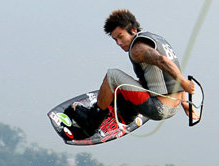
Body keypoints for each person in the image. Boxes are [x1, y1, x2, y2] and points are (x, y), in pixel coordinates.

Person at [65, 9, 198, 138]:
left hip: (159, 107)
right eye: (115, 39)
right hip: (175, 104)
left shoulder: (138, 48)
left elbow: (162, 61)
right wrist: (184, 102)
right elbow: (171, 71)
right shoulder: (156, 39)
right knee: (137, 81)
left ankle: (92, 122)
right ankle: (127, 112)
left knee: (113, 75)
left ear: (133, 30)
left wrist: (184, 82)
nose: (119, 43)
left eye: (121, 37)